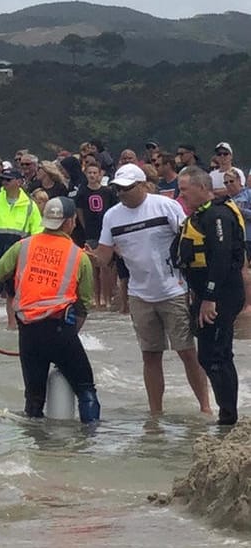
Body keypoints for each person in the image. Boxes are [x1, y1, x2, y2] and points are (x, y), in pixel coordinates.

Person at [0, 198, 100, 422]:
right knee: (85, 389)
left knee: (34, 399)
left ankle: (35, 449)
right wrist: (71, 334)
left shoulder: (23, 246)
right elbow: (84, 305)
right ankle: (91, 441)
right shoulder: (79, 256)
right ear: (71, 222)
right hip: (60, 330)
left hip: (27, 332)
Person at [92, 164, 213, 416]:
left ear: (143, 185)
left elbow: (187, 240)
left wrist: (197, 285)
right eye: (117, 189)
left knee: (187, 352)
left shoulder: (164, 206)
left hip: (174, 289)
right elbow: (103, 256)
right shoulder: (112, 216)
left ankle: (205, 406)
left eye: (127, 188)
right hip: (139, 294)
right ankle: (155, 413)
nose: (122, 193)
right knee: (150, 355)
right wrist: (86, 258)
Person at [176, 168, 246, 425]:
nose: (180, 195)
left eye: (184, 190)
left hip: (221, 295)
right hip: (205, 294)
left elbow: (221, 256)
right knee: (211, 355)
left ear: (202, 188)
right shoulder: (199, 215)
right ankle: (227, 414)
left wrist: (209, 298)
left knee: (215, 356)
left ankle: (228, 418)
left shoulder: (217, 215)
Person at [0, 166, 43, 329]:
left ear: (19, 182)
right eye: (3, 179)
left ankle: (12, 326)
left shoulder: (30, 205)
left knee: (13, 290)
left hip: (18, 249)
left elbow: (37, 231)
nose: (4, 183)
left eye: (8, 180)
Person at [75, 162, 119, 309]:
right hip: (91, 232)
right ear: (85, 174)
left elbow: (114, 210)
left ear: (100, 174)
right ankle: (96, 297)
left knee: (105, 267)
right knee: (93, 267)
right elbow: (80, 211)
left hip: (105, 232)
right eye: (89, 173)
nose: (92, 175)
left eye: (95, 173)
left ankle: (106, 298)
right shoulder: (82, 192)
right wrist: (85, 226)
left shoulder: (108, 192)